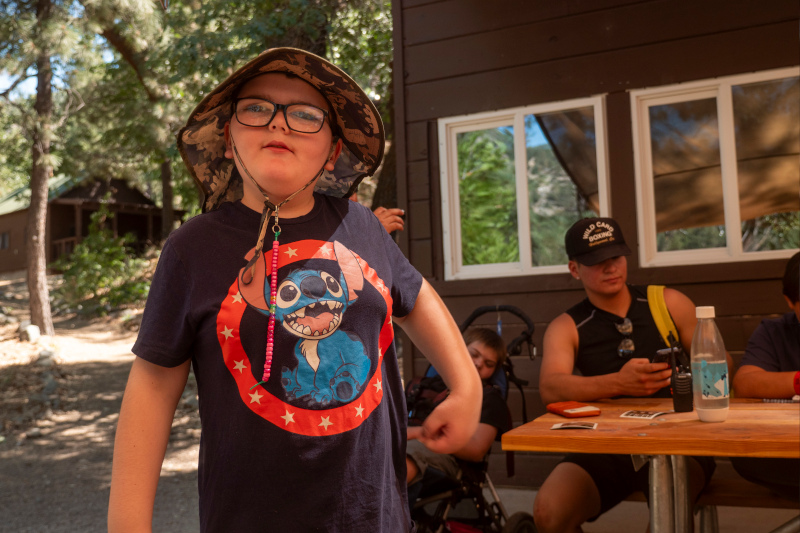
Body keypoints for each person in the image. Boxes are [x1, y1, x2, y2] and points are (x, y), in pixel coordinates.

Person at [107, 47, 482, 533]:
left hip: (375, 519)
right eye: (256, 109)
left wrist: (467, 384)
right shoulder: (192, 248)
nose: (278, 124)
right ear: (227, 139)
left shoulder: (363, 227)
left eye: (305, 115)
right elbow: (153, 387)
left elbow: (415, 297)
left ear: (331, 151)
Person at [533, 217, 718, 533]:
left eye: (616, 257)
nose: (610, 268)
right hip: (606, 444)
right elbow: (550, 387)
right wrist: (618, 382)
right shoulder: (567, 325)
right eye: (596, 261)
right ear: (574, 269)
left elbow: (719, 365)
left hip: (679, 441)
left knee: (668, 519)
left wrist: (692, 382)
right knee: (549, 512)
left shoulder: (667, 301)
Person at [405, 328, 511, 505]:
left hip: (445, 458)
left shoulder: (490, 399)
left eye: (488, 364)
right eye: (474, 354)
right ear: (460, 350)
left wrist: (419, 434)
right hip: (400, 443)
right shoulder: (419, 386)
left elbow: (477, 450)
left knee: (396, 462)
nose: (478, 364)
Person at [730, 251, 800, 501]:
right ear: (789, 302)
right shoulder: (775, 331)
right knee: (746, 457)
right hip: (787, 451)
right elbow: (745, 382)